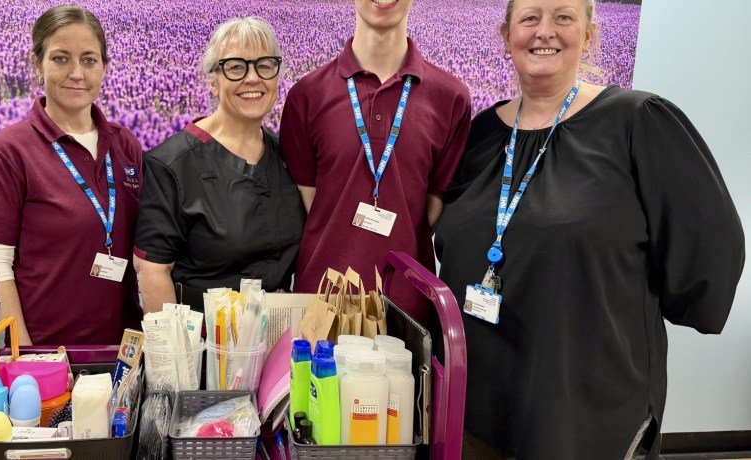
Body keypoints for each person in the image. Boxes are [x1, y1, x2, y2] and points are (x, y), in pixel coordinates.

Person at [433, 0, 744, 458]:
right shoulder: (482, 132)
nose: (545, 32)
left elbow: (709, 246)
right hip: (479, 409)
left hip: (583, 412)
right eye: (529, 18)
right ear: (506, 36)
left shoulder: (638, 121)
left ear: (590, 34)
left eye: (563, 17)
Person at [279, 0, 472, 319]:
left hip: (408, 308)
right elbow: (313, 203)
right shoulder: (307, 94)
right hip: (321, 301)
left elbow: (431, 207)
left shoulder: (451, 98)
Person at [0, 5, 143, 346]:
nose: (77, 73)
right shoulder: (9, 150)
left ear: (105, 67)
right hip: (49, 351)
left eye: (89, 60)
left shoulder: (126, 144)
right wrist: (27, 356)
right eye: (61, 58)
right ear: (38, 64)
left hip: (124, 349)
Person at [133, 17, 305, 312]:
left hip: (279, 334)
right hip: (205, 342)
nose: (253, 79)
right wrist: (179, 354)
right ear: (213, 81)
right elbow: (152, 271)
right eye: (235, 67)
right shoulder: (171, 164)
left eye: (264, 65)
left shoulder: (288, 156)